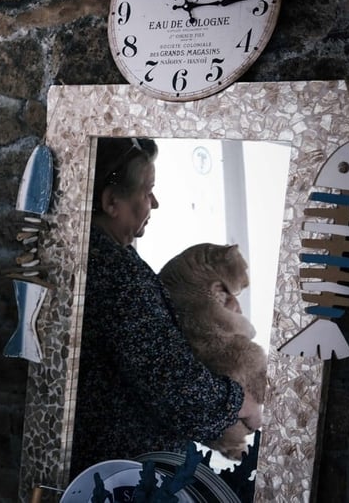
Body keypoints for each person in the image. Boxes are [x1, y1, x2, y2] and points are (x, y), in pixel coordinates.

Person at [68, 137, 261, 476]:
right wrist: (241, 403)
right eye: (147, 191)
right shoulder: (116, 275)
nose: (154, 202)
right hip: (124, 473)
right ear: (112, 202)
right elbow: (174, 385)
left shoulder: (89, 255)